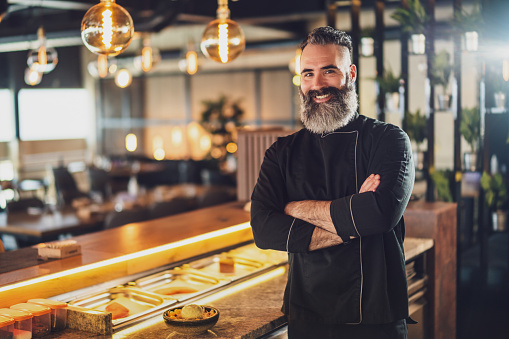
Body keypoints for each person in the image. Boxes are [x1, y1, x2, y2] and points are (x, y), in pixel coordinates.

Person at [250, 26, 415, 339]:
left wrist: (294, 208)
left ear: (350, 73)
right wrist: (354, 221)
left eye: (329, 71)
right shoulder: (282, 152)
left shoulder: (389, 140)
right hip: (308, 316)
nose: (317, 85)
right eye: (308, 74)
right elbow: (263, 228)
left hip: (375, 316)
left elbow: (380, 214)